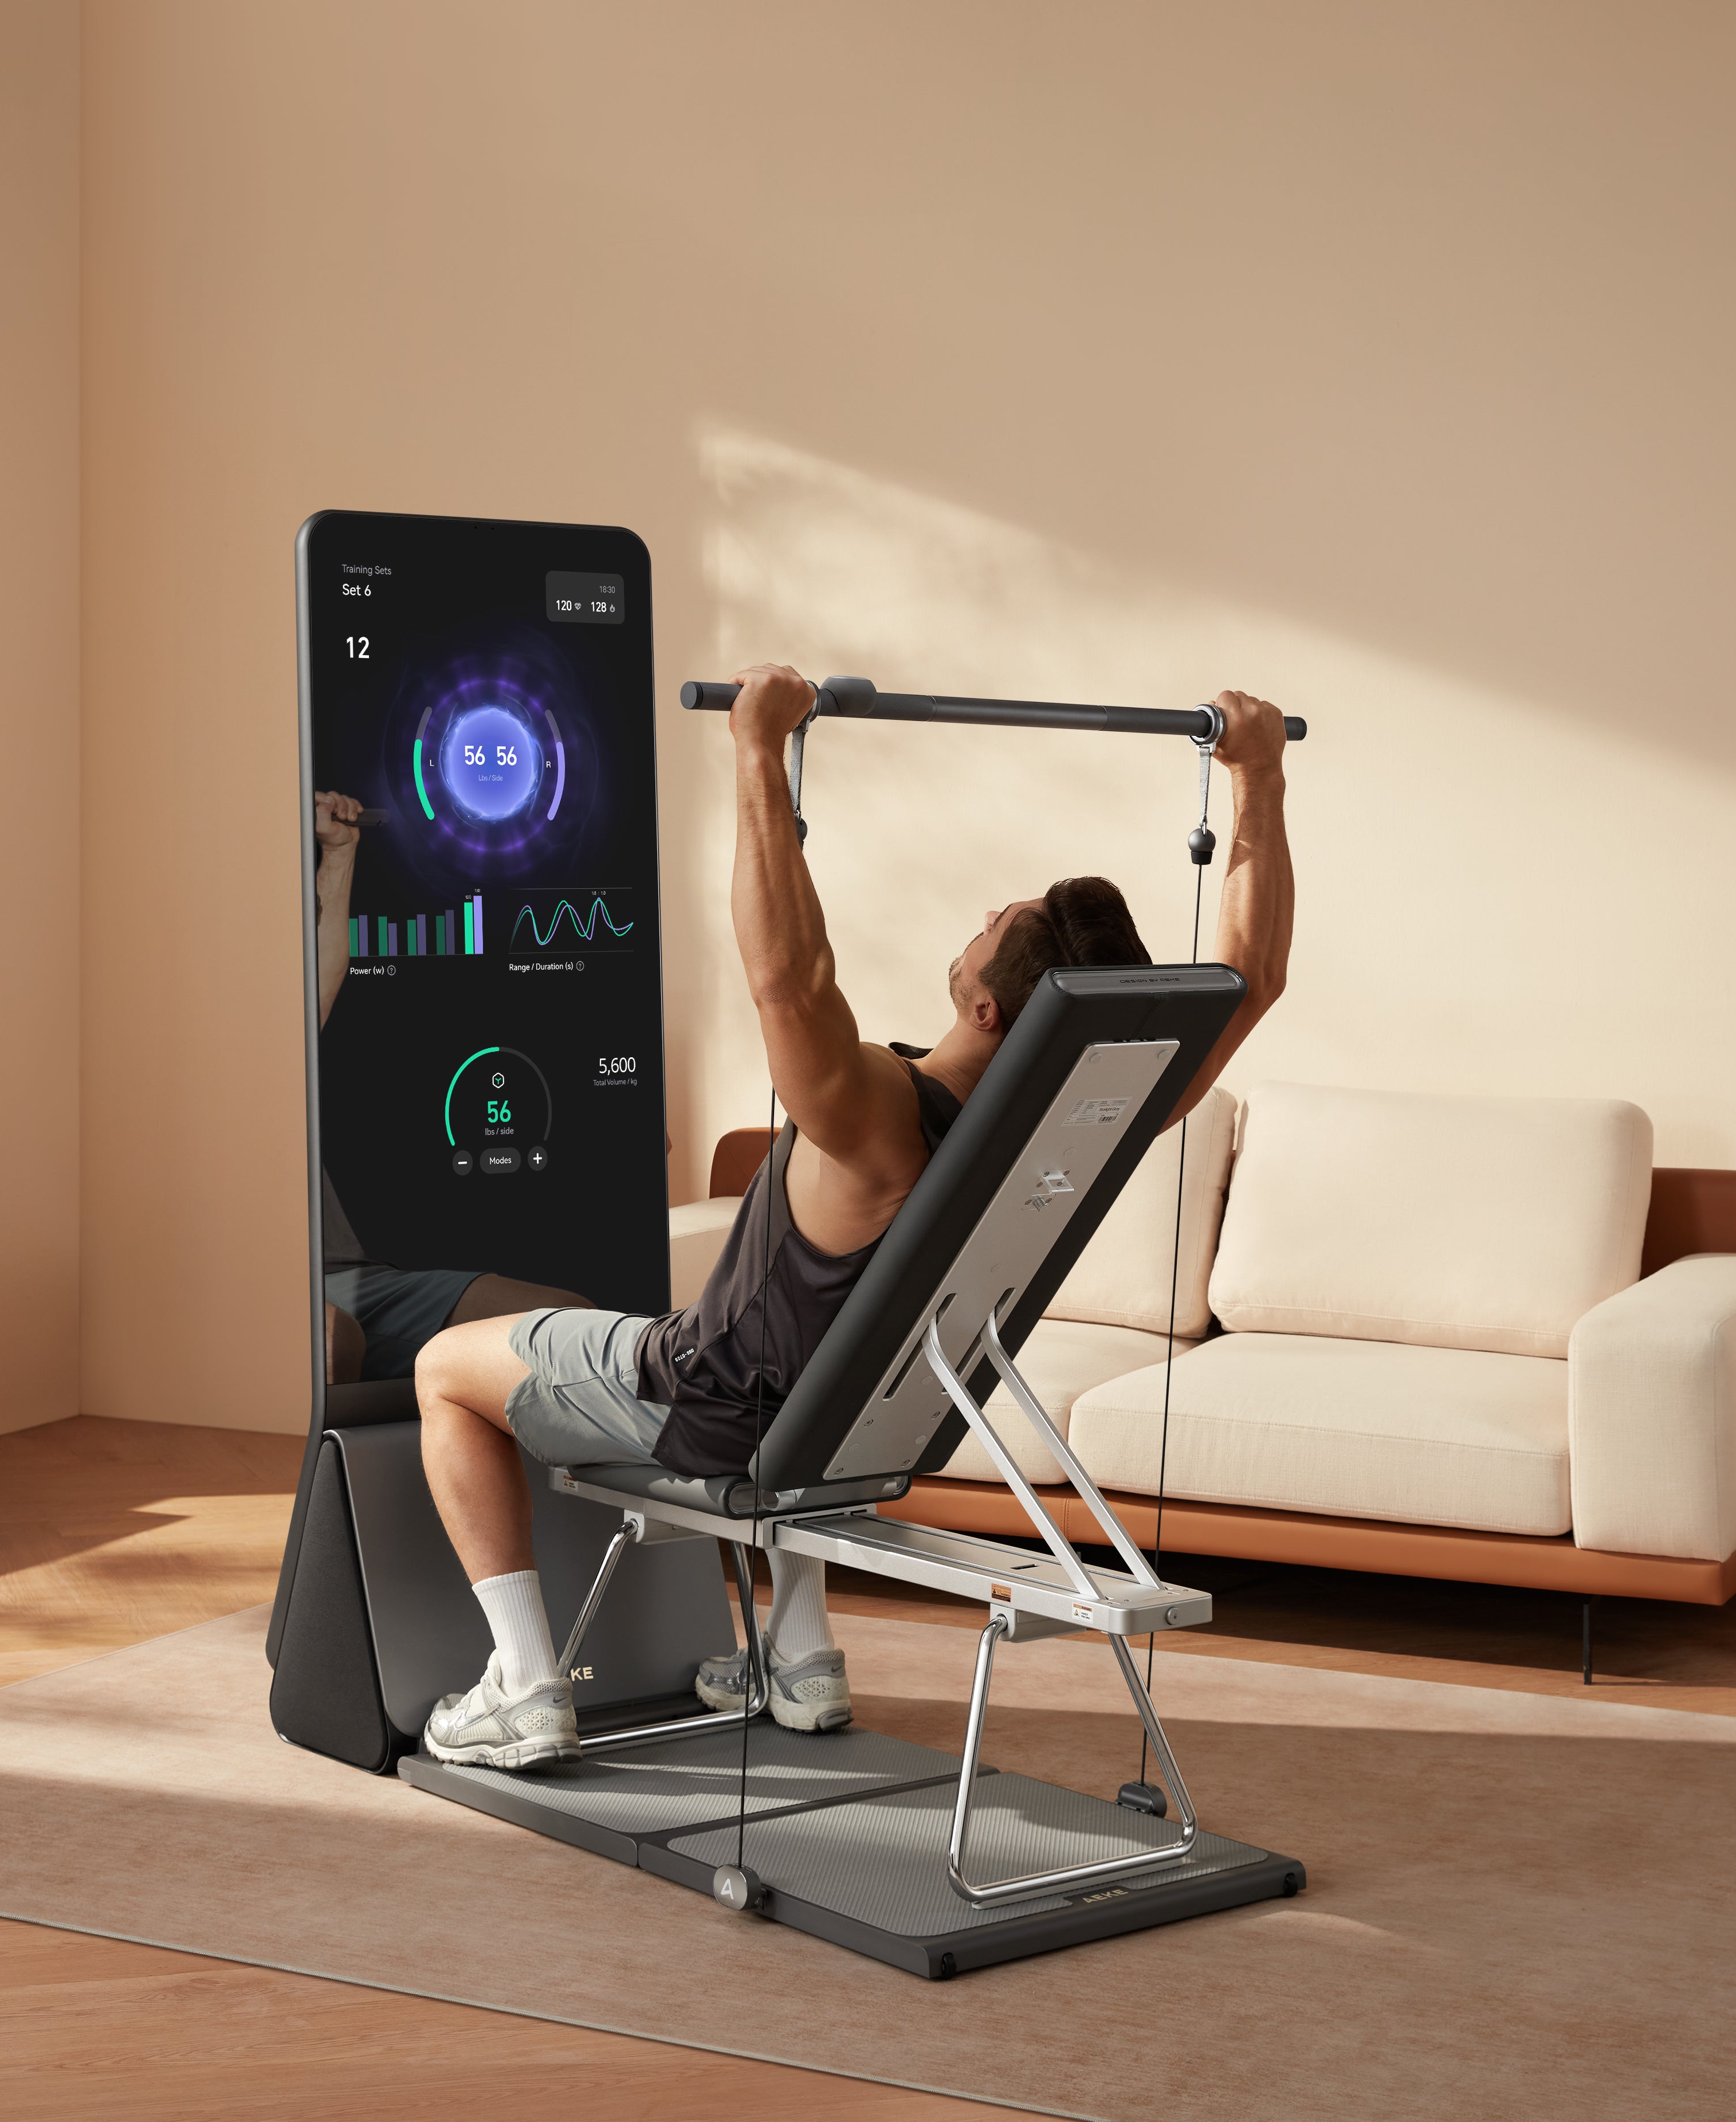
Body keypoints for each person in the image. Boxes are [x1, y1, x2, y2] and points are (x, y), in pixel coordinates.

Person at [408, 664, 1297, 1771]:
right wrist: (1259, 777)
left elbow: (788, 979)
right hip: (867, 1428)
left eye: (999, 923)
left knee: (446, 1369)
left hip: (703, 1406)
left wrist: (757, 749)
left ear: (985, 1005)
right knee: (812, 1358)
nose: (986, 913)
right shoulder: (1085, 1120)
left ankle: (523, 1683)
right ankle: (799, 1650)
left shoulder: (879, 1115)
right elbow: (1254, 977)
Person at [312, 789, 585, 1381]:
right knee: (333, 1345)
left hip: (358, 1277)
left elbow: (324, 977)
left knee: (569, 1323)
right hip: (271, 1287)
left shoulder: (273, 1037)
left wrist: (339, 852)